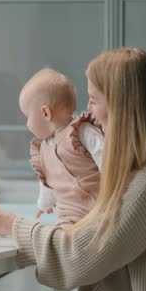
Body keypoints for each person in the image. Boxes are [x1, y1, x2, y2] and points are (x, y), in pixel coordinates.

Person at [0, 48, 146, 291]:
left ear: (119, 107)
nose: (88, 111)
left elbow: (78, 257)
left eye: (93, 100)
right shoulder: (144, 170)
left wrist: (8, 223)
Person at [19, 68, 104, 224]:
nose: (27, 124)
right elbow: (47, 181)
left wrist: (115, 191)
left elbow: (104, 154)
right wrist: (44, 204)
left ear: (45, 113)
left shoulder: (81, 131)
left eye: (27, 116)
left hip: (96, 209)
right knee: (59, 238)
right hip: (68, 214)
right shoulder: (44, 148)